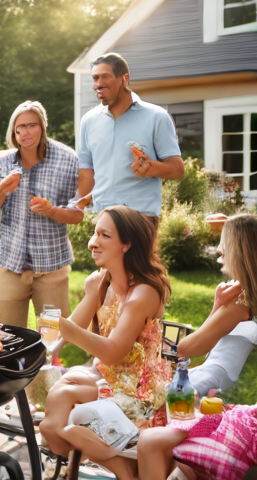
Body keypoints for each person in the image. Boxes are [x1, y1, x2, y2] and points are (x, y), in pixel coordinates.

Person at [39, 205, 172, 480]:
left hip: (143, 394)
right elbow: (70, 330)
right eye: (94, 233)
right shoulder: (101, 282)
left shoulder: (144, 293)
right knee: (66, 388)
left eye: (104, 235)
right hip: (112, 380)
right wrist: (55, 338)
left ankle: (62, 463)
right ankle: (58, 460)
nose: (92, 242)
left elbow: (112, 352)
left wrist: (63, 327)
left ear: (126, 244)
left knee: (64, 396)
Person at [137, 214, 257, 480]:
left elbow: (188, 348)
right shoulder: (246, 304)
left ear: (238, 249)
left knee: (152, 434)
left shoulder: (238, 308)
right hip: (225, 396)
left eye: (224, 242)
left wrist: (218, 307)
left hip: (221, 404)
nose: (218, 249)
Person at [0, 101, 83, 328]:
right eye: (20, 128)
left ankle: (47, 365)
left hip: (52, 269)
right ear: (14, 132)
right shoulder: (3, 161)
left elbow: (78, 214)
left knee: (52, 338)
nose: (25, 132)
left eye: (32, 125)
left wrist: (50, 210)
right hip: (11, 266)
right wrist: (3, 187)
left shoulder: (68, 159)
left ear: (42, 127)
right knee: (6, 337)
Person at [77, 53, 184, 225]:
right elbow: (86, 172)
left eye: (105, 77)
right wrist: (75, 202)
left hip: (141, 217)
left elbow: (177, 169)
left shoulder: (157, 117)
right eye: (95, 78)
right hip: (102, 217)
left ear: (124, 79)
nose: (98, 84)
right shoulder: (88, 121)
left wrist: (151, 168)